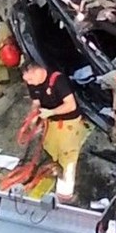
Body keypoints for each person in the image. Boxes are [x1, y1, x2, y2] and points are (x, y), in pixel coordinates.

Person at [20, 61, 90, 203]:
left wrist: (51, 112)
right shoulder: (32, 83)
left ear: (38, 71)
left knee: (67, 157)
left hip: (68, 122)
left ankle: (65, 195)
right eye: (27, 80)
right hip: (50, 121)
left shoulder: (58, 81)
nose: (30, 83)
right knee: (50, 148)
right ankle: (56, 169)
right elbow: (36, 102)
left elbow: (71, 105)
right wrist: (34, 117)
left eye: (31, 79)